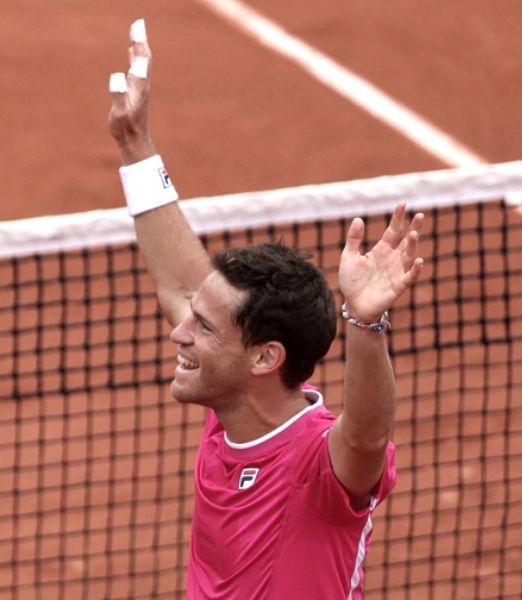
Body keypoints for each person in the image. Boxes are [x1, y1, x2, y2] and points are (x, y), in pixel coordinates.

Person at [107, 19, 425, 600]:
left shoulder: (314, 462)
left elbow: (365, 438)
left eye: (202, 327)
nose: (178, 331)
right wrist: (134, 145)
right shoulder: (229, 406)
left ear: (264, 358)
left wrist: (366, 324)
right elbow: (182, 283)